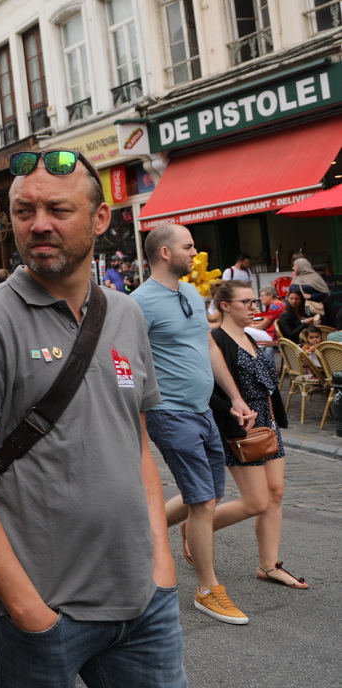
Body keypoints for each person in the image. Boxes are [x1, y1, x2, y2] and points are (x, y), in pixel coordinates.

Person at [0, 150, 191, 688]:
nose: (39, 224)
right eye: (24, 211)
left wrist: (160, 568)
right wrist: (27, 609)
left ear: (100, 219)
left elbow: (136, 445)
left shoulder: (126, 314)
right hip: (40, 612)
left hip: (140, 604)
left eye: (58, 209)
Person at [134, 223, 253, 626]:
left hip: (203, 411)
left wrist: (235, 398)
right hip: (170, 414)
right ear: (165, 252)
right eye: (187, 246)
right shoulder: (139, 303)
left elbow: (206, 345)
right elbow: (127, 361)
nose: (195, 252)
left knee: (206, 495)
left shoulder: (189, 293)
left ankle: (134, 534)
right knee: (201, 501)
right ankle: (207, 589)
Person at [206, 281, 307, 590]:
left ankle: (268, 565)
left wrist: (275, 418)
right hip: (240, 427)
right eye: (246, 302)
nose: (254, 307)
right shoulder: (215, 341)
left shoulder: (251, 337)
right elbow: (207, 392)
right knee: (255, 501)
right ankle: (198, 527)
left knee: (275, 494)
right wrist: (232, 412)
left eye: (254, 301)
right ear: (225, 306)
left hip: (268, 424)